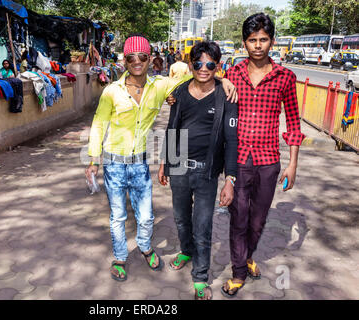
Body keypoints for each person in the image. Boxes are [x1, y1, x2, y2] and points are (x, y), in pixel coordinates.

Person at [85, 33, 237, 282]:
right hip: (113, 164)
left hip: (140, 164)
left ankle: (145, 247)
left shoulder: (160, 86)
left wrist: (224, 80)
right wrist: (92, 159)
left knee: (146, 216)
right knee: (118, 216)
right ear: (125, 60)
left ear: (149, 59)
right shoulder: (112, 91)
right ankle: (120, 258)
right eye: (131, 57)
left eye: (142, 56)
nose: (136, 61)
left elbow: (197, 76)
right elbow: (99, 124)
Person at [220, 13, 305, 298]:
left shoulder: (285, 77)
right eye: (252, 40)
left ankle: (247, 255)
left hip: (269, 161)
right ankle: (238, 272)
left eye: (263, 40)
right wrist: (221, 80)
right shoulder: (233, 74)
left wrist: (292, 164)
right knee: (238, 216)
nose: (258, 45)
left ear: (272, 42)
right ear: (244, 43)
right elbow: (204, 83)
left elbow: (293, 122)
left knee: (258, 219)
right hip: (239, 159)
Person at [158, 41, 238, 300]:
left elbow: (232, 140)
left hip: (206, 171)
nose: (204, 68)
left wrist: (230, 180)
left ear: (218, 66)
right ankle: (186, 251)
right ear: (191, 64)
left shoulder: (225, 95)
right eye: (199, 63)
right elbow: (172, 127)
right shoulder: (180, 92)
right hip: (178, 164)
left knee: (202, 225)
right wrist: (163, 162)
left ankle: (201, 277)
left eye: (211, 64)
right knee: (181, 218)